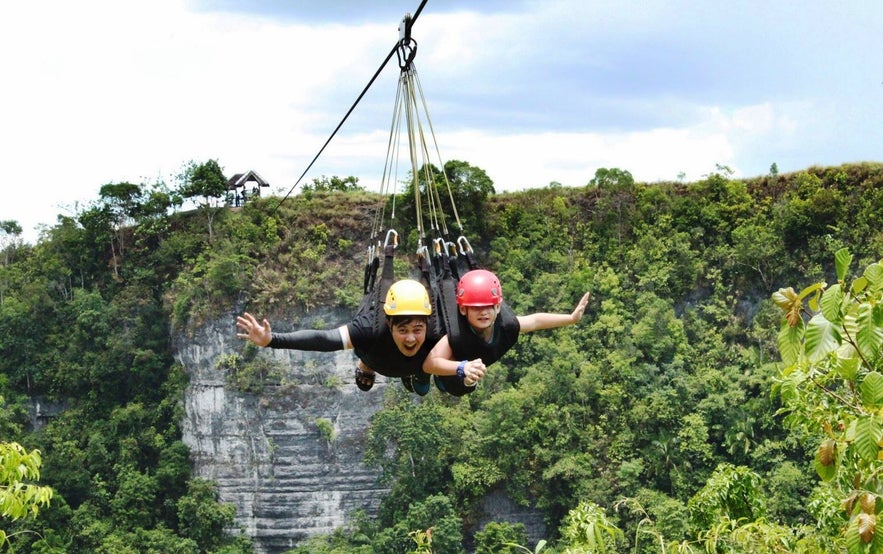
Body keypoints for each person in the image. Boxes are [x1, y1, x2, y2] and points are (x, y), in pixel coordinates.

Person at [236, 279, 485, 395]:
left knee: (433, 379)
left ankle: (418, 373)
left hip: (419, 363)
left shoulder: (436, 330)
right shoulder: (369, 328)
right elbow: (325, 339)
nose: (411, 337)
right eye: (403, 330)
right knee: (371, 347)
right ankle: (365, 365)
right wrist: (272, 339)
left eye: (417, 329)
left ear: (426, 322)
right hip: (378, 357)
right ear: (389, 323)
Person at [423, 269, 589, 393]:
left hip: (473, 364)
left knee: (469, 381)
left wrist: (571, 318)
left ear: (497, 307)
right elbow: (430, 363)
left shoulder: (506, 325)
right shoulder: (457, 334)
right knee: (457, 385)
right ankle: (437, 378)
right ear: (463, 310)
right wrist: (461, 367)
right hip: (456, 368)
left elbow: (535, 321)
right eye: (476, 308)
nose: (483, 313)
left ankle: (463, 378)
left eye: (489, 307)